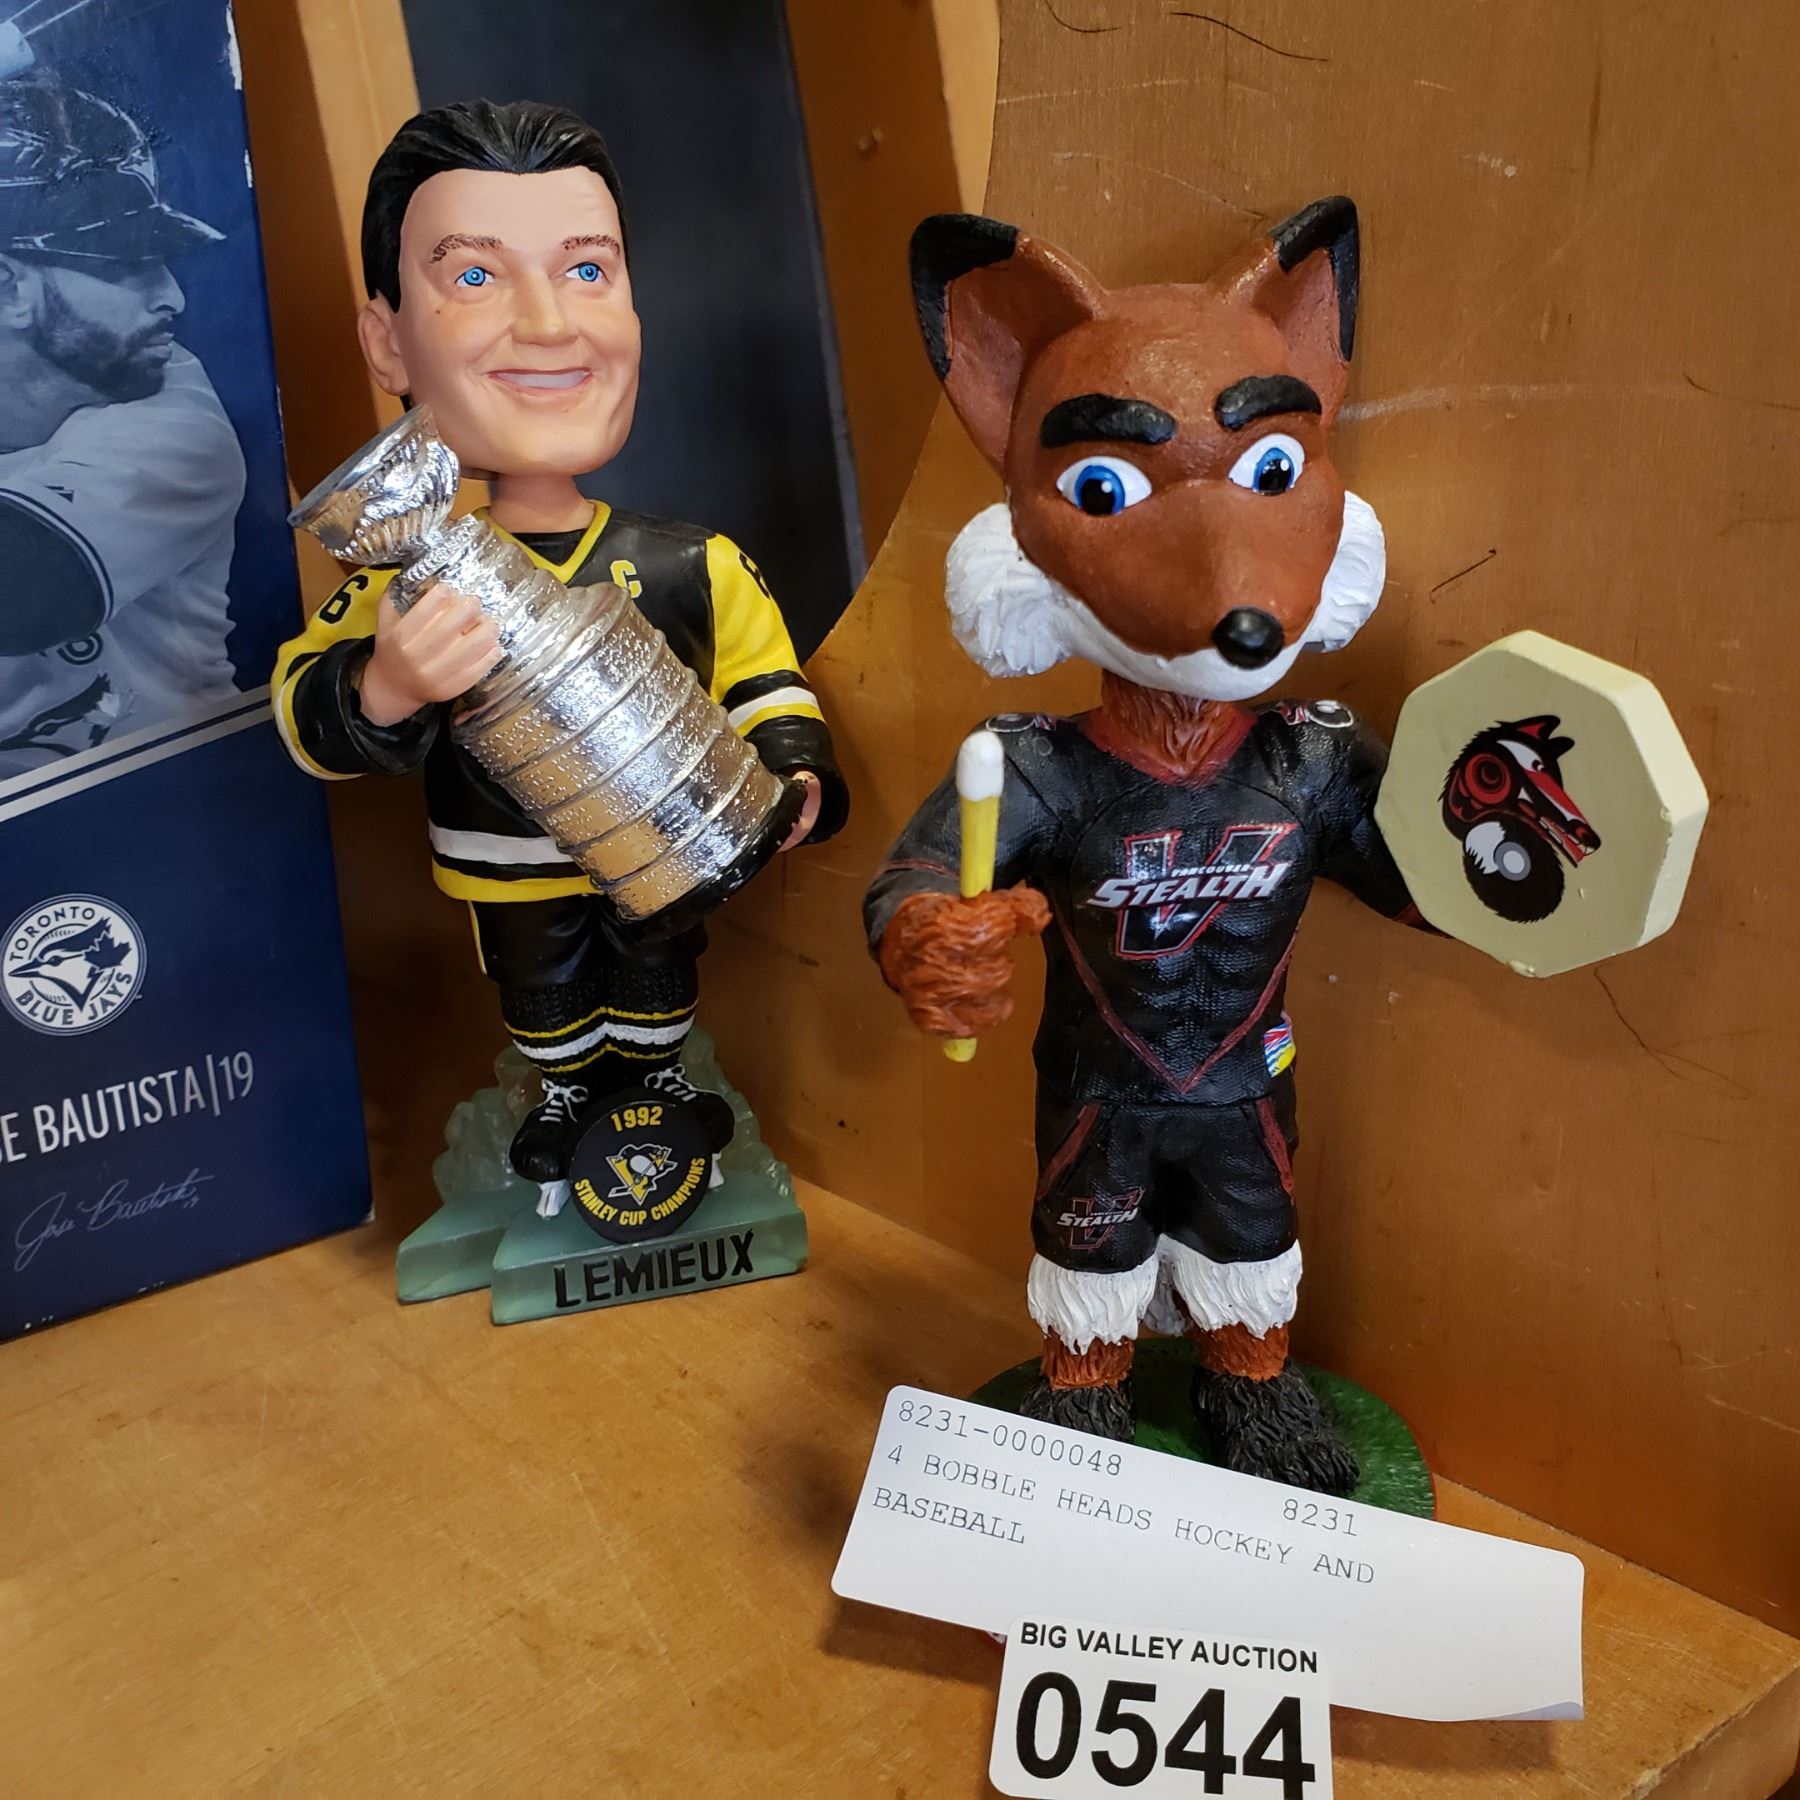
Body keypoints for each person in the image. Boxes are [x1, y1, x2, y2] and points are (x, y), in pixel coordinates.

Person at [273, 99, 847, 1187]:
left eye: (587, 270)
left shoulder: (689, 562)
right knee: (540, 984)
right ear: (387, 339)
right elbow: (306, 708)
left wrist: (794, 766)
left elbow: (764, 680)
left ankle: (658, 1082)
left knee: (659, 965)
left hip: (673, 837)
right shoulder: (403, 584)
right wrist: (387, 684)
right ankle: (569, 1096)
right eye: (476, 277)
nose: (547, 325)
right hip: (510, 866)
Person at [0, 75, 243, 777]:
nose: (171, 295)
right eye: (128, 264)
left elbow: (26, 592)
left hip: (164, 794)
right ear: (9, 288)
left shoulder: (174, 410)